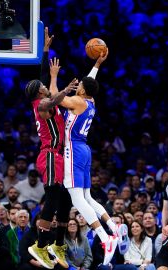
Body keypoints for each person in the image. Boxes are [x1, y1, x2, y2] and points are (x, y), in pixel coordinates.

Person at [50, 49, 127, 266]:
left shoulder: (77, 101)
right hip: (84, 150)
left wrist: (54, 75)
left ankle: (105, 238)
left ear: (82, 90)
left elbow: (55, 97)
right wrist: (98, 65)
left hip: (73, 150)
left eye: (81, 85)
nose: (80, 85)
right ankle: (113, 228)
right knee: (88, 198)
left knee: (77, 199)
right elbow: (90, 81)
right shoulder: (90, 101)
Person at [25, 27, 75, 269]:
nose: (46, 86)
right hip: (50, 156)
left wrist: (45, 49)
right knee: (53, 199)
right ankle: (40, 246)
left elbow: (42, 74)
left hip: (60, 156)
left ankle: (58, 245)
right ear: (39, 92)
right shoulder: (41, 104)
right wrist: (65, 90)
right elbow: (51, 97)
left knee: (66, 200)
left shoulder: (41, 95)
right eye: (43, 86)